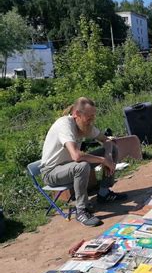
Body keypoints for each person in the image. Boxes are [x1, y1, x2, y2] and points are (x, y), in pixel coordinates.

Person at [40, 97, 127, 226]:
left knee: (112, 148)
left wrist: (108, 156)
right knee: (82, 166)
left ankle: (104, 193)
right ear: (77, 114)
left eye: (93, 116)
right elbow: (76, 156)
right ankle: (81, 211)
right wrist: (103, 160)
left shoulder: (85, 125)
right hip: (52, 172)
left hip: (71, 166)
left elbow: (107, 140)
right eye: (88, 116)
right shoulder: (64, 125)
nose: (91, 120)